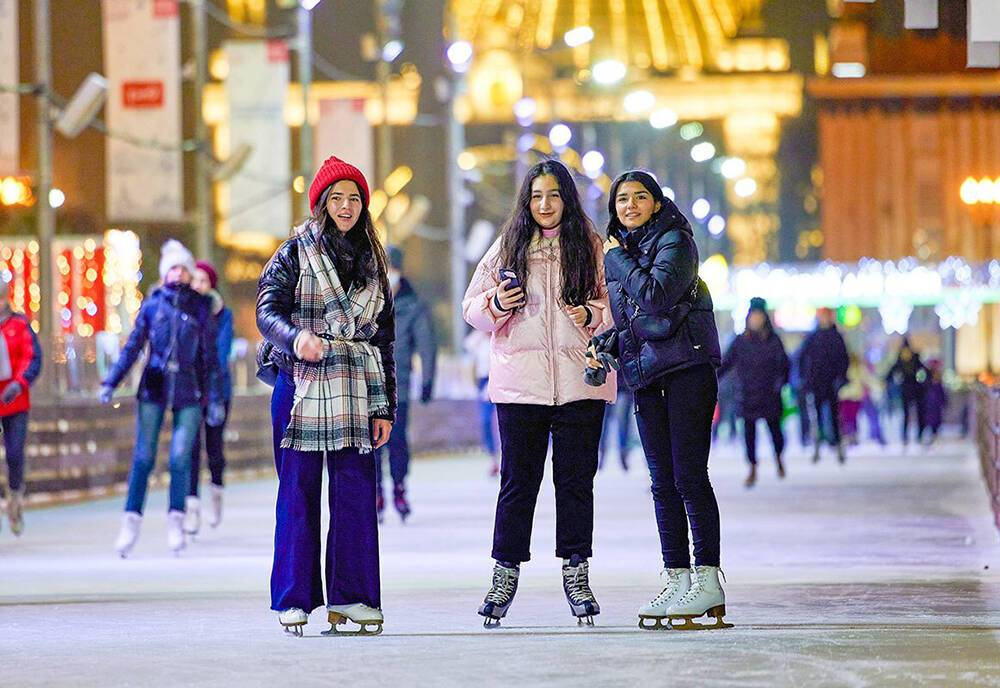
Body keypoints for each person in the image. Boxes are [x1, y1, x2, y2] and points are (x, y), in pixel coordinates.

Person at [463, 159, 615, 627]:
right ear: (526, 202)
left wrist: (593, 315)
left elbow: (618, 307)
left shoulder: (591, 248)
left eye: (553, 195)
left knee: (575, 484)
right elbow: (472, 308)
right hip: (520, 384)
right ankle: (504, 573)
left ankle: (576, 571)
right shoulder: (507, 246)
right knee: (517, 484)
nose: (545, 205)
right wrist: (495, 304)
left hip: (579, 382)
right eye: (536, 196)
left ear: (567, 198)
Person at [256, 155, 395, 637]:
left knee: (355, 493)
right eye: (336, 198)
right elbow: (266, 310)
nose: (346, 206)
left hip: (357, 391)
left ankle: (352, 598)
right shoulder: (294, 252)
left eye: (354, 197)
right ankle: (293, 598)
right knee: (298, 492)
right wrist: (295, 339)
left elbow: (384, 340)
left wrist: (386, 409)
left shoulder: (375, 261)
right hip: (301, 387)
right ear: (320, 204)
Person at [593, 170, 727, 631]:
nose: (629, 206)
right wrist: (609, 343)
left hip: (687, 371)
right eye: (622, 200)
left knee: (689, 476)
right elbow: (640, 321)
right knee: (661, 482)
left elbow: (653, 298)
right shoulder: (624, 251)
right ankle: (677, 577)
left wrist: (616, 262)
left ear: (655, 202)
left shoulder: (676, 241)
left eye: (639, 197)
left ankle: (708, 579)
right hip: (648, 376)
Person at [101, 240, 225, 557]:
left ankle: (176, 518)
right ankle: (131, 520)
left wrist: (214, 398)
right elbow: (133, 347)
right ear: (164, 272)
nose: (178, 273)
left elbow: (211, 358)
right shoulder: (153, 305)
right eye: (173, 267)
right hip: (154, 387)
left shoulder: (200, 307)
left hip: (189, 388)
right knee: (143, 456)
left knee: (181, 456)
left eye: (184, 268)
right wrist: (112, 381)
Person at [375, 245, 436, 523]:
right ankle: (375, 491)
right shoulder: (369, 301)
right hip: (368, 383)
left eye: (394, 269)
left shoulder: (413, 304)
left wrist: (427, 382)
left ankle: (399, 487)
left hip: (399, 385)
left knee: (397, 439)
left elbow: (427, 346)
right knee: (371, 442)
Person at [184, 260, 234, 536]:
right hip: (191, 389)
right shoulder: (186, 311)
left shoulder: (222, 314)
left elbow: (222, 352)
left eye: (204, 281)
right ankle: (192, 507)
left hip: (217, 391)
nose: (198, 286)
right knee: (191, 449)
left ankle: (216, 493)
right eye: (196, 280)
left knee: (214, 448)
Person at [719, 297, 789, 488]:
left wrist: (780, 383)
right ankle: (752, 466)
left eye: (759, 316)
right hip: (747, 394)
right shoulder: (740, 341)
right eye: (753, 316)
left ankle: (779, 457)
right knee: (749, 434)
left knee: (775, 430)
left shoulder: (774, 341)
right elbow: (725, 363)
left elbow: (784, 365)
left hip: (769, 394)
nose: (755, 320)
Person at [0, 280, 43, 537]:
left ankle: (15, 496)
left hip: (15, 401)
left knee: (15, 453)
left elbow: (32, 357)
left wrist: (19, 383)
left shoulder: (19, 324)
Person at [797, 307, 849, 463]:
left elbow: (843, 359)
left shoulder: (836, 337)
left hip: (832, 383)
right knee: (817, 416)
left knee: (834, 416)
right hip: (816, 383)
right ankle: (817, 447)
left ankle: (838, 445)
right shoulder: (813, 338)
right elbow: (801, 358)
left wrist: (840, 378)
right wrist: (805, 379)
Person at [463, 327, 499, 476]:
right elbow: (470, 359)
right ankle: (493, 459)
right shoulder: (476, 340)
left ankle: (506, 458)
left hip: (503, 379)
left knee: (505, 421)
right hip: (484, 381)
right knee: (485, 421)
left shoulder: (501, 335)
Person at [885, 336, 928, 447]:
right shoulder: (904, 360)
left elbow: (924, 371)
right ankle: (907, 436)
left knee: (915, 414)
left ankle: (914, 435)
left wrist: (923, 382)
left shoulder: (910, 359)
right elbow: (891, 372)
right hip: (909, 390)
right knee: (909, 414)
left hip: (913, 390)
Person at [921, 359, 946, 444]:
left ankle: (934, 436)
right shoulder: (928, 380)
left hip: (936, 404)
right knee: (930, 421)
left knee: (936, 421)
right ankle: (931, 436)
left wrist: (943, 402)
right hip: (930, 404)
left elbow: (942, 393)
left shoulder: (938, 381)